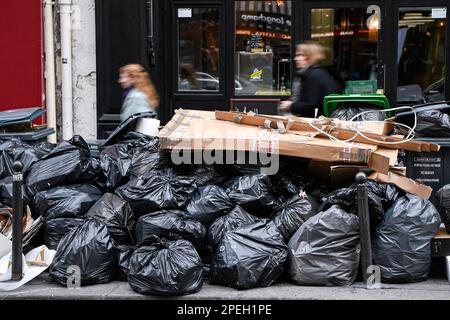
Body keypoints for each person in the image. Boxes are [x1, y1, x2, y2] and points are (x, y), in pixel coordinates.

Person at [279, 42, 339, 118]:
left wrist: (290, 105)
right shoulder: (312, 73)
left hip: (314, 122)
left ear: (310, 56)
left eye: (300, 55)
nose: (295, 59)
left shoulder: (313, 75)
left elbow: (311, 105)